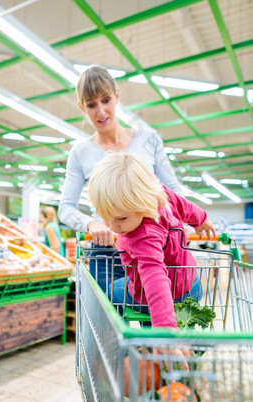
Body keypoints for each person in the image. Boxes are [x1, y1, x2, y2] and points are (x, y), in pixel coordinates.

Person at [58, 65, 183, 292]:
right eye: (91, 104)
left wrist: (178, 224)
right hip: (107, 251)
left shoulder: (149, 140)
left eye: (105, 100)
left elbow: (173, 190)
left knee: (152, 321)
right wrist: (92, 223)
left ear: (117, 95)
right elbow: (65, 208)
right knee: (108, 323)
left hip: (151, 246)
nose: (101, 111)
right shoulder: (80, 152)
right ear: (81, 107)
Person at [88, 152, 216, 366]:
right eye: (105, 216)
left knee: (109, 292)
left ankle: (124, 346)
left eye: (121, 218)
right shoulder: (160, 195)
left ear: (143, 202)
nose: (112, 226)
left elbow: (155, 278)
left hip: (158, 295)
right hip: (191, 285)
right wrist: (201, 219)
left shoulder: (142, 237)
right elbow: (185, 206)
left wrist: (164, 330)